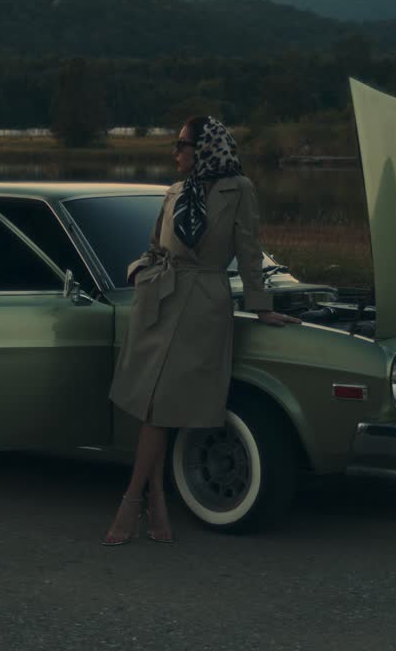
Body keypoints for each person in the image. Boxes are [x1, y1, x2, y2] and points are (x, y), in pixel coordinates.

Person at [102, 116, 300, 545]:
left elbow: (249, 252)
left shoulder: (239, 190)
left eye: (181, 144)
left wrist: (262, 307)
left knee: (162, 406)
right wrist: (140, 274)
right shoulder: (175, 191)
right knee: (153, 405)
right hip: (159, 302)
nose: (174, 152)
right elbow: (154, 246)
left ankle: (132, 499)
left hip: (203, 307)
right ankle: (155, 502)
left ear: (205, 148)